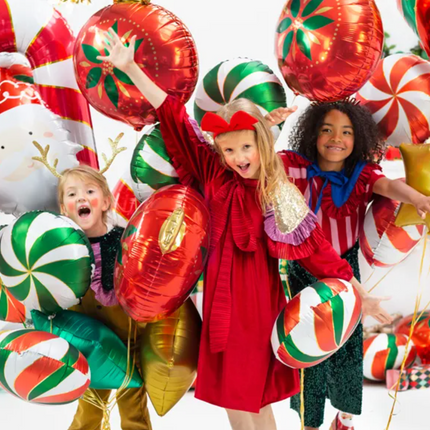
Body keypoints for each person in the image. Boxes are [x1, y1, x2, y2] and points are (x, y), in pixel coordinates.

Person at [96, 29, 388, 430]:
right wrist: (130, 67)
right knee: (238, 398)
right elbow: (174, 117)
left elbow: (317, 250)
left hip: (256, 300)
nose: (237, 158)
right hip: (218, 295)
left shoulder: (275, 189)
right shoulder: (212, 171)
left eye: (245, 147)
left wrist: (357, 292)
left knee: (250, 395)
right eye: (229, 149)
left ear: (260, 142)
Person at [266, 101, 430, 430]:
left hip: (345, 265)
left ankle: (345, 418)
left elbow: (391, 186)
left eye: (346, 132)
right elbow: (264, 162)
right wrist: (269, 126)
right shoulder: (294, 166)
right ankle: (308, 422)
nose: (335, 138)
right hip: (304, 268)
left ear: (358, 138)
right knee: (309, 346)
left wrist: (418, 198)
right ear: (313, 134)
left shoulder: (362, 173)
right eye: (326, 129)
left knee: (349, 348)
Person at [58, 165, 152, 430]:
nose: (81, 198)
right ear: (64, 207)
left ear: (106, 202)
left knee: (134, 412)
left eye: (90, 191)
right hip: (87, 346)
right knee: (88, 411)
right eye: (72, 194)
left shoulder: (124, 241)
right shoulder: (61, 247)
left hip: (127, 342)